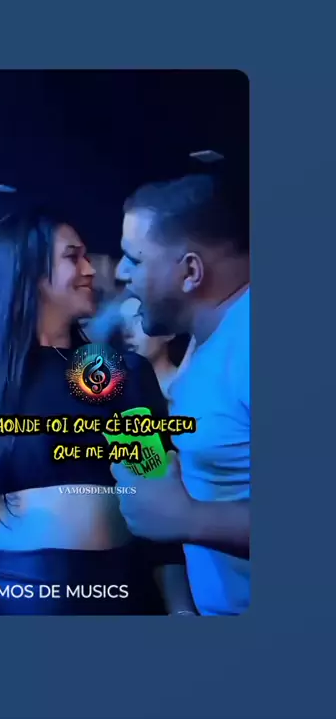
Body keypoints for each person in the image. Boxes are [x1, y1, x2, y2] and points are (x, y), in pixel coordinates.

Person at [0, 206, 194, 615]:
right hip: (7, 598)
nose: (89, 269)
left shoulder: (117, 372)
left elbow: (156, 497)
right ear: (29, 271)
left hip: (120, 593)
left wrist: (182, 609)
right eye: (73, 257)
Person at [111, 174, 250, 616]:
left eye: (134, 259)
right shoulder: (210, 341)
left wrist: (188, 518)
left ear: (190, 272)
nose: (119, 273)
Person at [119, 296, 195, 401]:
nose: (128, 332)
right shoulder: (126, 393)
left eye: (140, 321)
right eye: (124, 323)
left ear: (168, 333)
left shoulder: (190, 385)